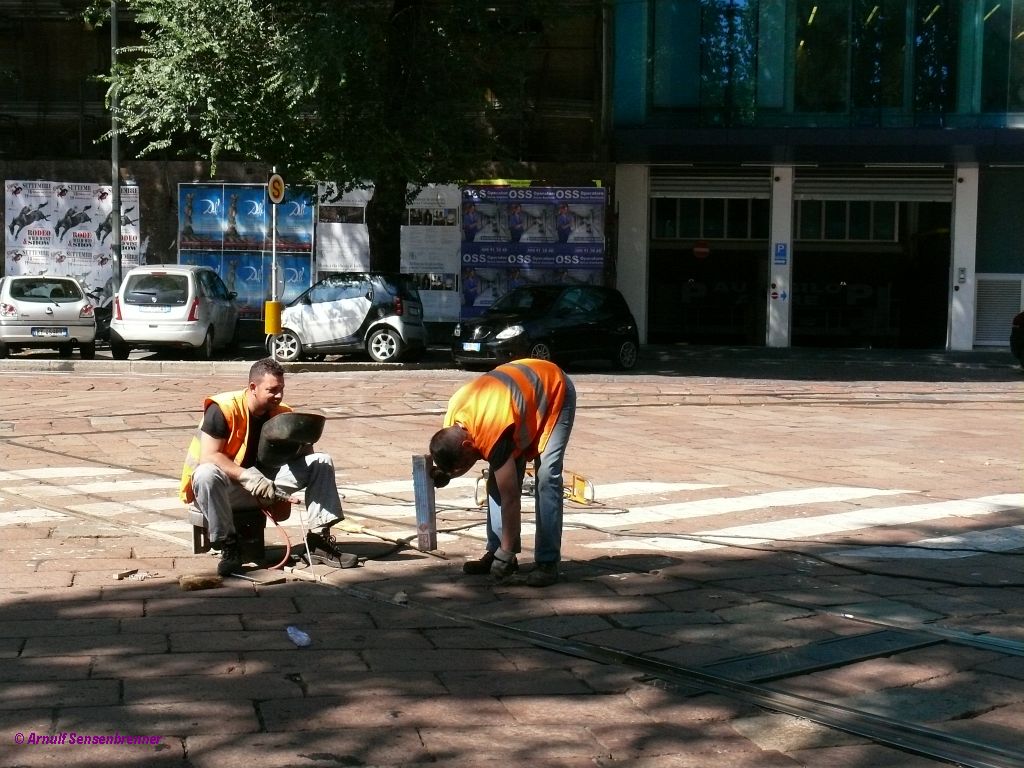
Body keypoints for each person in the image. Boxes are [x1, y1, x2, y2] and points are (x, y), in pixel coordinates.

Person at [179, 357, 355, 576]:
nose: (279, 395)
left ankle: (318, 540)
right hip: (227, 489)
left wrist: (303, 445)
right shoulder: (223, 408)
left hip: (268, 487)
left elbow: (303, 458)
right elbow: (209, 456)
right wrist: (248, 477)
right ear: (253, 387)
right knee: (205, 473)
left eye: (281, 389)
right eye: (272, 390)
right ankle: (228, 545)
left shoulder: (283, 413)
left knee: (321, 461)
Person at [428, 358, 576, 588]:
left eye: (462, 466)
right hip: (514, 401)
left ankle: (547, 563)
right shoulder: (453, 421)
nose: (466, 467)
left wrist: (507, 552)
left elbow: (511, 498)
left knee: (547, 477)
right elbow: (459, 457)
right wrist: (447, 473)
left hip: (553, 390)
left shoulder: (491, 432)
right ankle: (496, 551)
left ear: (468, 446)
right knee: (495, 482)